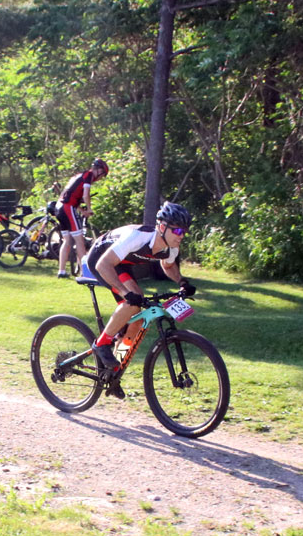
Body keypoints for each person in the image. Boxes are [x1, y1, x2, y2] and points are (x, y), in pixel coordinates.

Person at [85, 201, 197, 377]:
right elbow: (103, 265)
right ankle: (101, 344)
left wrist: (182, 282)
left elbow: (168, 267)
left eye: (184, 231)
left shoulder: (171, 248)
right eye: (177, 230)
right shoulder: (138, 237)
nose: (181, 235)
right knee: (133, 300)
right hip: (102, 259)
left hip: (121, 263)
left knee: (136, 321)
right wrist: (125, 293)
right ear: (161, 226)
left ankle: (113, 373)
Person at [55, 158, 108, 279]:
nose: (101, 178)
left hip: (59, 207)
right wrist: (89, 208)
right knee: (80, 241)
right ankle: (85, 273)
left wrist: (82, 211)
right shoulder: (89, 175)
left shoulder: (78, 176)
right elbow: (86, 194)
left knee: (67, 240)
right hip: (67, 208)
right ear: (99, 170)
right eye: (103, 175)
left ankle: (61, 271)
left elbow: (71, 196)